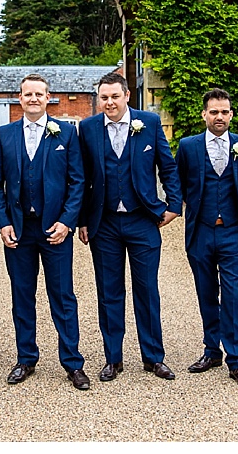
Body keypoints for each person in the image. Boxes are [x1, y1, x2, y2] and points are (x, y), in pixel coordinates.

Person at [76, 72, 182, 382]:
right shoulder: (88, 128)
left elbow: (168, 166)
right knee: (109, 292)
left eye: (114, 96)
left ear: (126, 97)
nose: (109, 102)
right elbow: (82, 176)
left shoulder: (148, 123)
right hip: (104, 222)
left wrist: (173, 205)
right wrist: (82, 219)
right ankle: (113, 358)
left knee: (147, 290)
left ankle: (153, 358)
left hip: (142, 219)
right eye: (104, 98)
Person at [0, 73, 90, 389]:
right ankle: (25, 359)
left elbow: (77, 182)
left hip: (55, 229)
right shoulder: (4, 135)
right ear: (19, 98)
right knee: (22, 296)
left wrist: (67, 221)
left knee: (63, 296)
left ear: (49, 98)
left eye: (38, 94)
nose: (33, 99)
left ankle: (72, 363)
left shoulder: (66, 134)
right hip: (19, 231)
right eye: (27, 94)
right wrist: (3, 223)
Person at [173, 88, 238, 388]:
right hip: (200, 232)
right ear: (204, 115)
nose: (219, 117)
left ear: (231, 114)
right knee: (206, 293)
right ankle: (212, 351)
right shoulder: (188, 147)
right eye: (214, 112)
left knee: (233, 295)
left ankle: (237, 360)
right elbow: (181, 183)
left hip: (233, 233)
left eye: (224, 112)